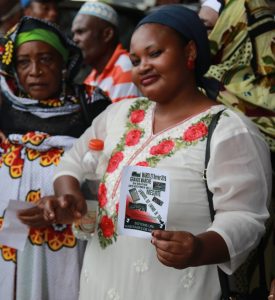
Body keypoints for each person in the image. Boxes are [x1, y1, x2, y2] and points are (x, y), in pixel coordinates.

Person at [18, 5, 272, 300]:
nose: (142, 66)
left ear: (189, 53)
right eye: (135, 59)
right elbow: (72, 161)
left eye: (155, 53)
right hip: (100, 281)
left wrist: (200, 247)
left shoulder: (228, 130)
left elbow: (246, 216)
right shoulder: (120, 114)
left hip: (175, 288)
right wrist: (70, 194)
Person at [0, 16, 111, 300]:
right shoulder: (4, 107)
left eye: (46, 59)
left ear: (64, 63)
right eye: (24, 62)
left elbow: (111, 177)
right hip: (10, 243)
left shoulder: (92, 106)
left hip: (71, 240)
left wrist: (80, 209)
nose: (35, 71)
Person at [198, 0, 275, 167]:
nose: (196, 34)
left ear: (234, 32)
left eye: (206, 28)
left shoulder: (199, 87)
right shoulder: (192, 82)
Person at [72, 1, 141, 103]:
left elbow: (122, 118)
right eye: (74, 34)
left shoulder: (125, 68)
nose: (75, 39)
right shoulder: (91, 78)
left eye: (80, 32)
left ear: (107, 34)